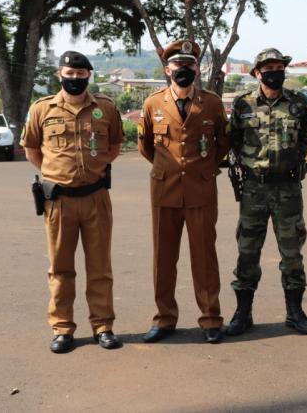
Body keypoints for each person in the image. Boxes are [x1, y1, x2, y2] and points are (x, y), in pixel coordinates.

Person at [21, 51, 123, 353]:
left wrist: (93, 169)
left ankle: (103, 326)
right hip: (59, 201)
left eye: (80, 74)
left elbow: (114, 147)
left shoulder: (105, 108)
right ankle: (62, 328)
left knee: (100, 267)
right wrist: (58, 172)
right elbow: (32, 150)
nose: (75, 79)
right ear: (60, 75)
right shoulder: (42, 109)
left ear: (88, 75)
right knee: (60, 268)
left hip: (96, 198)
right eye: (70, 73)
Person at [138, 39, 231, 344]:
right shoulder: (153, 103)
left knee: (205, 258)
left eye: (190, 64)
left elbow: (223, 143)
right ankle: (164, 318)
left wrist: (201, 168)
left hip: (201, 189)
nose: (184, 69)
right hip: (165, 190)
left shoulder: (212, 103)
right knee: (163, 258)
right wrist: (169, 168)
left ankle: (211, 318)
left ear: (197, 69)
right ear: (167, 69)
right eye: (178, 64)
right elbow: (146, 146)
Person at [225, 48, 307, 336]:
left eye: (279, 67)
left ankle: (295, 312)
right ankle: (243, 313)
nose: (275, 73)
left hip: (288, 188)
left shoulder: (299, 103)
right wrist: (254, 166)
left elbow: (305, 140)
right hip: (254, 189)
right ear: (257, 73)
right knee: (247, 252)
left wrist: (288, 165)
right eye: (268, 69)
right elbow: (234, 140)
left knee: (292, 253)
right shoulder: (243, 103)